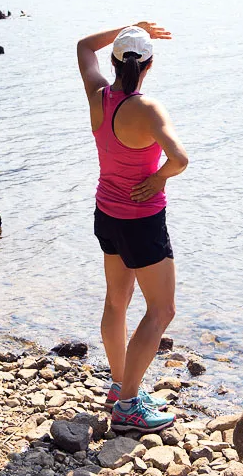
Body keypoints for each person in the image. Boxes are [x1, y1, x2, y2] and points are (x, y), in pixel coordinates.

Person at [77, 22, 189, 433]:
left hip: (106, 214)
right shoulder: (149, 110)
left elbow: (84, 45)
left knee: (116, 302)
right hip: (142, 223)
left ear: (113, 61)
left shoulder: (97, 97)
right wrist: (159, 178)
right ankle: (127, 406)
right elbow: (180, 159)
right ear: (149, 65)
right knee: (162, 310)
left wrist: (132, 26)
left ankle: (120, 384)